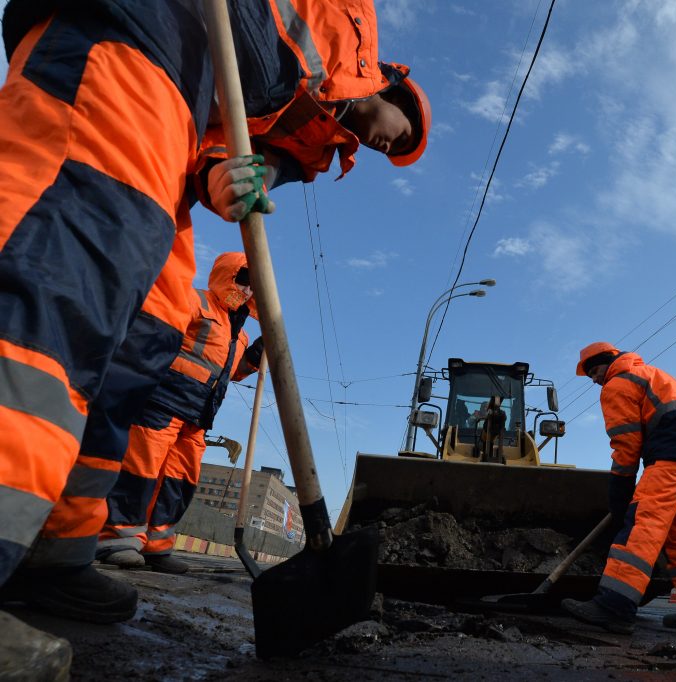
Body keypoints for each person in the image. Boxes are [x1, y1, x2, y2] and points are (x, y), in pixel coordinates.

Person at [0, 1, 430, 664]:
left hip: (176, 111)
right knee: (58, 279)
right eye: (404, 133)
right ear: (396, 90)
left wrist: (223, 182)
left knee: (126, 336)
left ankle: (56, 549)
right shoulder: (349, 35)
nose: (392, 147)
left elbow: (225, 167)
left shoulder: (317, 152)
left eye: (399, 153)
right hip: (136, 37)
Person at [96, 253, 260, 574]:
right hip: (163, 401)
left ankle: (157, 544)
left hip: (198, 416)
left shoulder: (239, 334)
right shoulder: (193, 300)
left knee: (179, 481)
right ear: (227, 275)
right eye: (243, 279)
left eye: (254, 284)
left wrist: (254, 358)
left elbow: (229, 372)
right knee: (141, 470)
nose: (248, 289)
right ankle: (118, 538)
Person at [561, 342, 676, 633]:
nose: (595, 379)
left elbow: (626, 446)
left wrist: (620, 492)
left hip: (673, 454)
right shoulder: (652, 374)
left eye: (594, 371)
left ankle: (614, 606)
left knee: (642, 526)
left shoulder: (618, 384)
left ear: (608, 361)